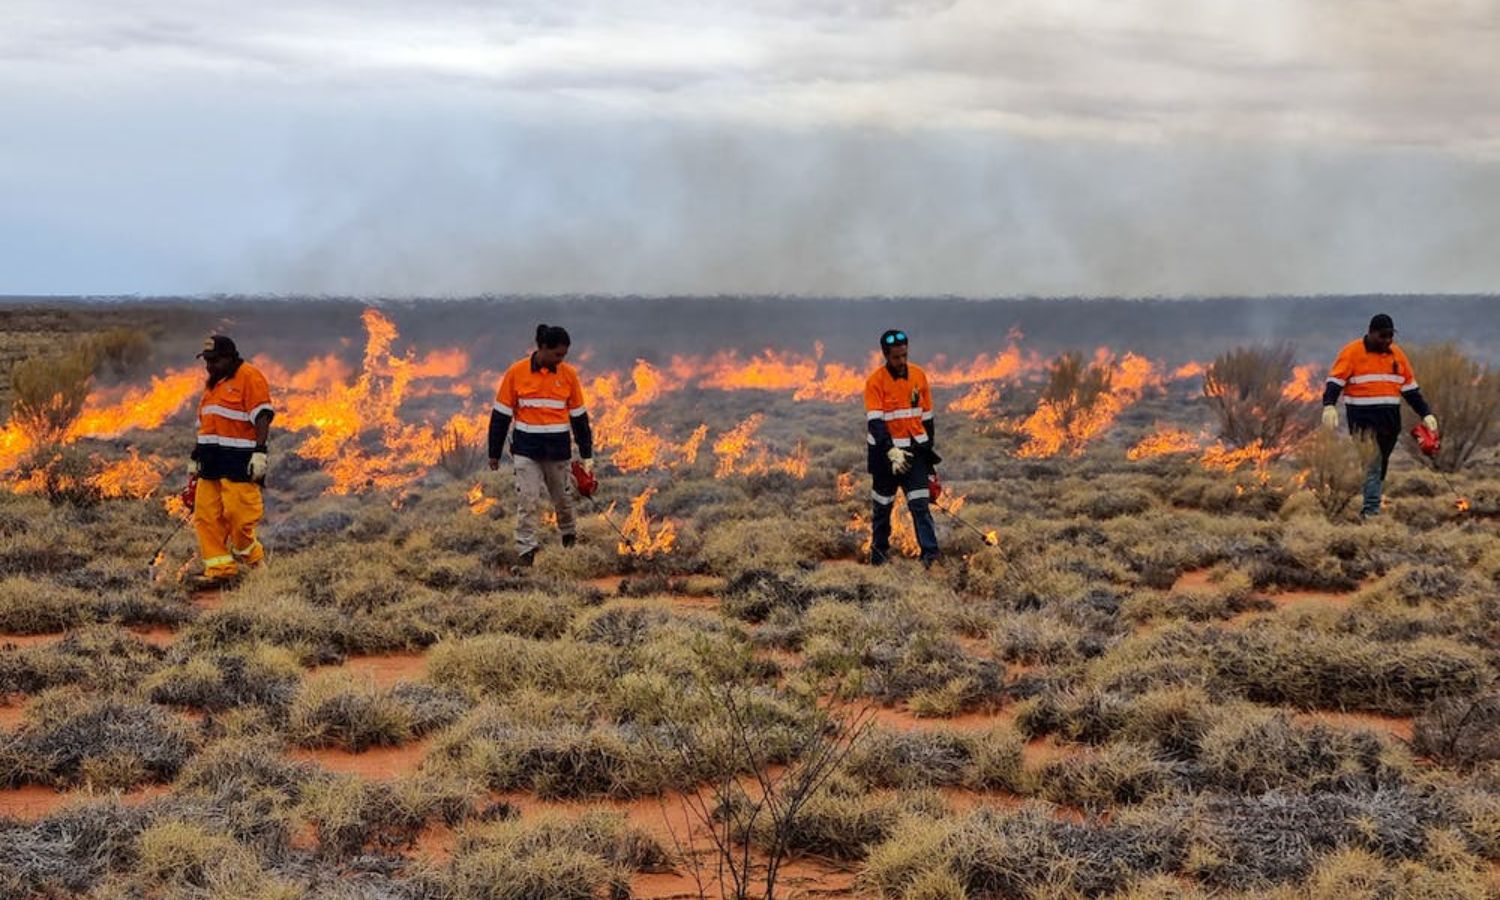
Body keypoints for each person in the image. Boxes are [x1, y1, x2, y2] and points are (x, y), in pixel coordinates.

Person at [488, 324, 595, 568]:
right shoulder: (516, 373)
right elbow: (501, 416)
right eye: (558, 354)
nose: (561, 360)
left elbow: (579, 419)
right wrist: (493, 453)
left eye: (564, 355)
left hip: (558, 452)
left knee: (563, 500)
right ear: (543, 348)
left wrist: (587, 454)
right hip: (527, 451)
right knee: (527, 500)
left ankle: (569, 537)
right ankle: (526, 552)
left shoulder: (569, 375)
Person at [1322, 313, 1438, 519]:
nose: (1386, 340)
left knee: (1380, 464)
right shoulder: (1352, 352)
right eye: (1382, 336)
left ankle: (1370, 500)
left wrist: (1426, 413)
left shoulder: (1397, 355)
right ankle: (1371, 512)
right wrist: (1329, 405)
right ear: (1371, 333)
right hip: (1362, 420)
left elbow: (1410, 390)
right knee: (1372, 463)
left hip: (1390, 422)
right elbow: (1335, 382)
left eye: (1390, 336)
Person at [189, 335, 274, 588]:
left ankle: (255, 561)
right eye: (206, 361)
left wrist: (260, 452)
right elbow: (205, 425)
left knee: (239, 517)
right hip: (210, 463)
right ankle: (219, 570)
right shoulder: (212, 385)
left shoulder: (249, 376)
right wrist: (195, 458)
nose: (209, 366)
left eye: (214, 361)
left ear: (230, 358)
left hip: (238, 463)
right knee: (206, 517)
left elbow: (262, 416)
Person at [864, 328, 939, 566]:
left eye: (904, 355)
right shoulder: (875, 382)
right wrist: (891, 451)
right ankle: (878, 558)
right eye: (896, 357)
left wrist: (928, 459)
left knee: (920, 506)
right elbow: (876, 423)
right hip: (885, 458)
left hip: (915, 454)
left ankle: (931, 558)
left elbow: (927, 420)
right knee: (882, 508)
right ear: (886, 355)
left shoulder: (919, 376)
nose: (901, 361)